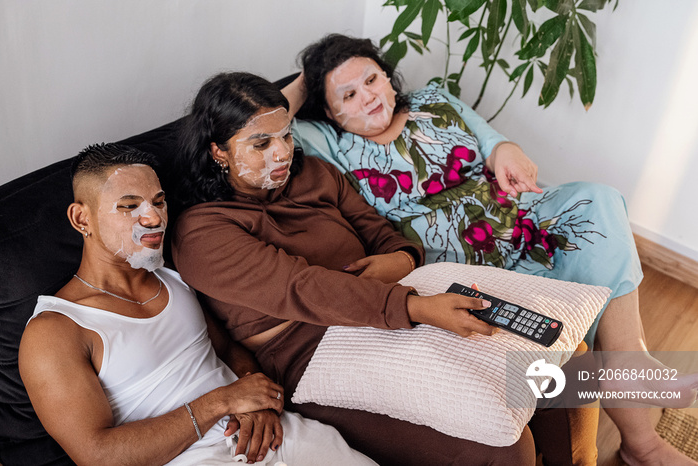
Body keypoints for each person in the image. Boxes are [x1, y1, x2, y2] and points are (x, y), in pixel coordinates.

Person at [289, 33, 698, 466]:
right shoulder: (327, 142)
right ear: (329, 112)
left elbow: (493, 141)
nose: (367, 96)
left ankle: (627, 369)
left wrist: (507, 151)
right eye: (348, 95)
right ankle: (638, 425)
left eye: (372, 79)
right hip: (463, 260)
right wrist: (312, 76)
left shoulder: (434, 98)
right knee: (583, 308)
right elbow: (270, 119)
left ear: (389, 78)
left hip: (520, 221)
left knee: (597, 199)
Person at [172, 71, 603, 466]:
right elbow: (304, 287)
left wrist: (401, 260)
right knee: (503, 448)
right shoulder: (201, 231)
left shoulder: (314, 174)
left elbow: (386, 235)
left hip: (391, 306)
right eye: (261, 144)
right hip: (308, 351)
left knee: (570, 364)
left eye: (285, 135)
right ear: (218, 152)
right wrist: (416, 307)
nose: (282, 153)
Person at [18, 143, 377, 466]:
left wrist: (256, 395)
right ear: (82, 219)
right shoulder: (55, 330)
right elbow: (98, 456)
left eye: (159, 201)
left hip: (273, 433)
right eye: (129, 206)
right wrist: (223, 401)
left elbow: (226, 348)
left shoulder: (174, 277)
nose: (154, 218)